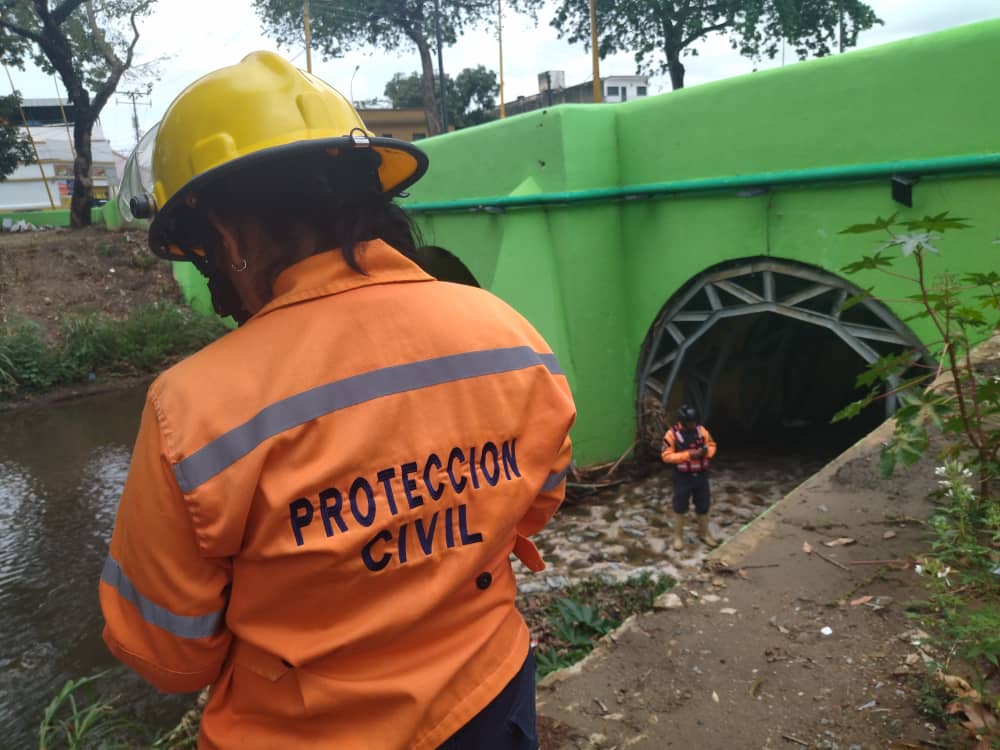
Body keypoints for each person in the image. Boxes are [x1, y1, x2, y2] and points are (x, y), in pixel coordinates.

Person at [99, 51, 576, 750]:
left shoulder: (193, 407)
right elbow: (537, 501)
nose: (214, 287)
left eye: (201, 253)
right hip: (489, 701)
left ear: (226, 233)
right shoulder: (506, 333)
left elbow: (166, 654)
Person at [660, 404, 718, 551]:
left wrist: (707, 452)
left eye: (694, 421)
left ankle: (704, 534)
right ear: (683, 421)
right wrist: (688, 455)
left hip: (701, 475)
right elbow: (666, 456)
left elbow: (712, 444)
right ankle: (678, 536)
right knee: (680, 505)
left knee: (703, 504)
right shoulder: (671, 435)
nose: (693, 424)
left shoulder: (701, 431)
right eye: (690, 422)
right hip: (682, 476)